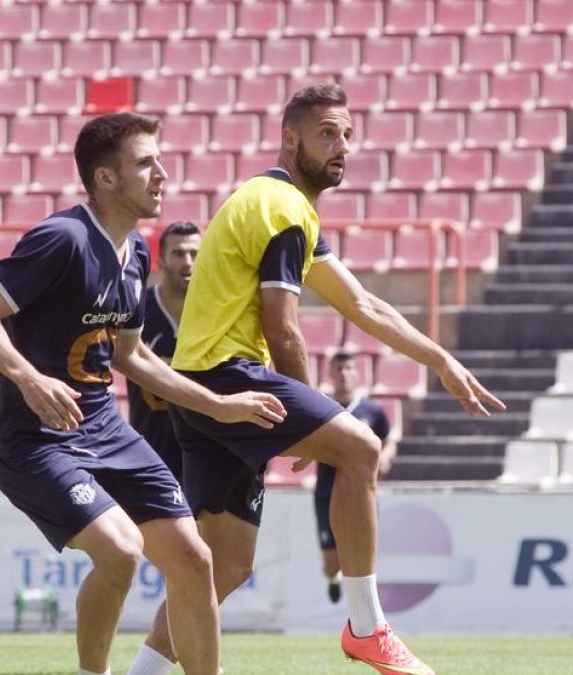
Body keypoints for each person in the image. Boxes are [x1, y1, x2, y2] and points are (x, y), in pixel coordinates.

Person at [130, 84, 504, 675]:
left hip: (202, 390)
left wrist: (438, 357)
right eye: (328, 132)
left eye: (347, 135)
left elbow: (363, 304)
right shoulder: (281, 209)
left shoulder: (278, 204)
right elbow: (283, 328)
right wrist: (310, 409)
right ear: (290, 137)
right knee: (360, 447)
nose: (342, 147)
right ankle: (367, 627)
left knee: (223, 566)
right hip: (228, 378)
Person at [0, 112, 286, 675]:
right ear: (106, 179)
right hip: (35, 440)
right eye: (146, 163)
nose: (162, 173)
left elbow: (132, 357)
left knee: (194, 558)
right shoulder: (61, 239)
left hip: (106, 429)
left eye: (159, 160)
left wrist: (219, 404)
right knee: (121, 550)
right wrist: (28, 377)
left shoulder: (136, 252)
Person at [315, 351, 398, 604]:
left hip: (362, 491)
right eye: (338, 369)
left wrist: (385, 455)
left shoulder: (371, 409)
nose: (344, 374)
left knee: (362, 551)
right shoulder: (322, 407)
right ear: (330, 373)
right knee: (331, 562)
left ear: (357, 372)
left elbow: (389, 438)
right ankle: (333, 578)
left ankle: (365, 604)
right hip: (327, 491)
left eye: (349, 368)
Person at [126, 220, 202, 480]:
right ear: (160, 262)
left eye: (195, 253)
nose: (188, 262)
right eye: (178, 253)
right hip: (150, 454)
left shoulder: (219, 313)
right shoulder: (137, 307)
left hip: (207, 454)